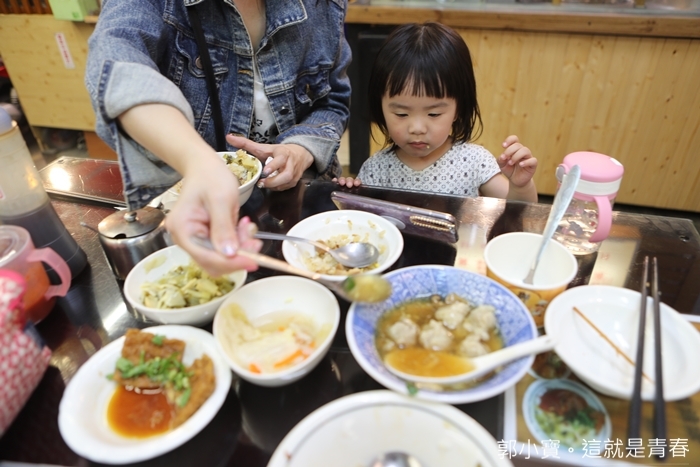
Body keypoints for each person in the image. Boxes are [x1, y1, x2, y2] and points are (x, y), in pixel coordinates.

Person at [85, 0, 351, 275]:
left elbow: (333, 102)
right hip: (196, 211)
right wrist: (198, 163)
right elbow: (115, 61)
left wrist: (301, 149)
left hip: (304, 199)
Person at [336, 22, 538, 202]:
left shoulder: (474, 161)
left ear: (458, 109)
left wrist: (520, 186)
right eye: (401, 114)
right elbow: (364, 221)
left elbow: (516, 212)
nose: (417, 128)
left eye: (433, 114)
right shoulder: (376, 169)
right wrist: (349, 196)